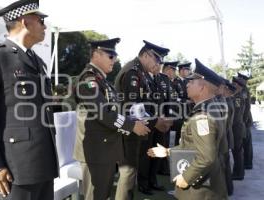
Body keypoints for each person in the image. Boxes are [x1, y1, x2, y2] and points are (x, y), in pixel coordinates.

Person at [0, 1, 58, 199]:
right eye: (41, 20)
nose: (44, 26)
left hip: (43, 163)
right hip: (14, 169)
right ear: (25, 22)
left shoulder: (38, 61)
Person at [73, 38, 151, 200]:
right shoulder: (89, 79)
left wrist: (134, 121)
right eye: (110, 56)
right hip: (95, 152)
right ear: (96, 55)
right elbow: (103, 113)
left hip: (105, 150)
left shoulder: (102, 81)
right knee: (96, 196)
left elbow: (114, 110)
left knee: (103, 194)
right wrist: (131, 126)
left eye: (115, 56)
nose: (114, 60)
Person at [148, 59, 228, 200]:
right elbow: (195, 147)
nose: (187, 84)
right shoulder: (211, 107)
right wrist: (168, 151)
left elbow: (206, 157)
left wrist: (186, 178)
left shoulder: (202, 117)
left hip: (199, 191)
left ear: (202, 88)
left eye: (191, 82)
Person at [114, 40, 171, 198]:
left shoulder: (141, 72)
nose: (158, 64)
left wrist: (156, 119)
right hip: (129, 131)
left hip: (136, 128)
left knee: (131, 174)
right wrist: (155, 122)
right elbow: (132, 107)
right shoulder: (133, 72)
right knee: (128, 174)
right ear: (146, 55)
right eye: (157, 59)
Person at [237, 72, 253, 169]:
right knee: (245, 142)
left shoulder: (244, 90)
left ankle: (247, 163)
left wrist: (243, 120)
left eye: (240, 79)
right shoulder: (243, 90)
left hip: (245, 120)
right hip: (244, 120)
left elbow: (246, 107)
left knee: (246, 142)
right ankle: (246, 162)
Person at [231, 76, 246, 180]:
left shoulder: (238, 98)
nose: (233, 85)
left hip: (237, 128)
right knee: (237, 151)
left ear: (238, 86)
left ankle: (239, 174)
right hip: (238, 127)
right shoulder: (237, 96)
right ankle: (238, 172)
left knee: (237, 152)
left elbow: (236, 114)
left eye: (234, 84)